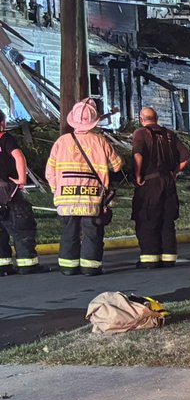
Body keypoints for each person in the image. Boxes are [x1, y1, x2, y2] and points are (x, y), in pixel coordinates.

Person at [45, 98, 122, 275]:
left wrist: (56, 190)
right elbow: (117, 165)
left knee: (68, 232)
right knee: (92, 232)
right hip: (92, 197)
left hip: (65, 197)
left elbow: (50, 171)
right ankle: (90, 267)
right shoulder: (100, 141)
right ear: (94, 121)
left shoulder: (61, 142)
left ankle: (68, 267)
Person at [131, 106, 190, 269]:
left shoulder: (140, 133)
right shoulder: (170, 135)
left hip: (149, 182)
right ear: (156, 118)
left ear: (142, 119)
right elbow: (185, 157)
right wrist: (174, 173)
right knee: (167, 218)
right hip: (168, 182)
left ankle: (150, 258)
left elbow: (138, 155)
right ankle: (168, 257)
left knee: (147, 218)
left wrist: (137, 176)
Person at [0, 109, 39, 275]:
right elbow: (19, 157)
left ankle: (3, 265)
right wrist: (22, 179)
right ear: (2, 123)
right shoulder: (5, 138)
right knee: (21, 225)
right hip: (7, 189)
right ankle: (27, 263)